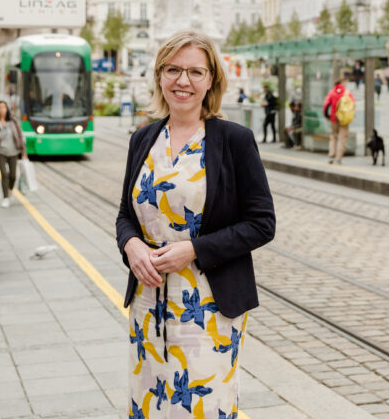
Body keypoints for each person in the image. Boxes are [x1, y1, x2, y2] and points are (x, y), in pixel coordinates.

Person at [116, 31, 275, 419]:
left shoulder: (234, 140)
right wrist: (132, 246)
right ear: (159, 76)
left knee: (200, 407)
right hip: (148, 302)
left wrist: (194, 250)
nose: (182, 81)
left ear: (211, 80)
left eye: (194, 72)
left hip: (208, 306)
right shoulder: (143, 139)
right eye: (172, 69)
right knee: (151, 403)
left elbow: (262, 223)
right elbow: (125, 214)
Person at [0, 99, 26, 207]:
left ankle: (10, 190)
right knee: (4, 174)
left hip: (13, 152)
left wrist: (24, 151)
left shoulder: (13, 121)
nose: (2, 109)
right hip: (0, 152)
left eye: (4, 107)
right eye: (0, 107)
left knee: (13, 175)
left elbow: (20, 136)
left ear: (7, 109)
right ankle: (5, 197)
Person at [323, 77, 355, 164]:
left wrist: (327, 115)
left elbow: (326, 105)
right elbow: (353, 105)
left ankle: (331, 155)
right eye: (345, 82)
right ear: (342, 83)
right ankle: (338, 158)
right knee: (342, 138)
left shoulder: (332, 92)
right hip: (344, 120)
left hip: (333, 118)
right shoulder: (347, 93)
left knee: (333, 136)